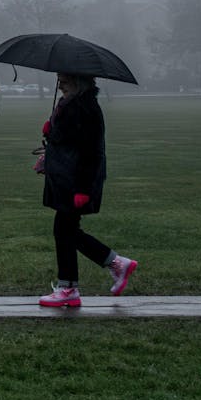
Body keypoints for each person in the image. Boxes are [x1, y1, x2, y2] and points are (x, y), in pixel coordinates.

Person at [37, 73, 137, 307]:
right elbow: (66, 143)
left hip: (75, 181)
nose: (60, 82)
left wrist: (82, 188)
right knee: (66, 230)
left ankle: (73, 285)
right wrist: (48, 153)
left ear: (78, 81)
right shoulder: (69, 104)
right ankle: (108, 267)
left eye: (65, 79)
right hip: (64, 177)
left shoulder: (85, 108)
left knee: (65, 229)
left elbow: (91, 152)